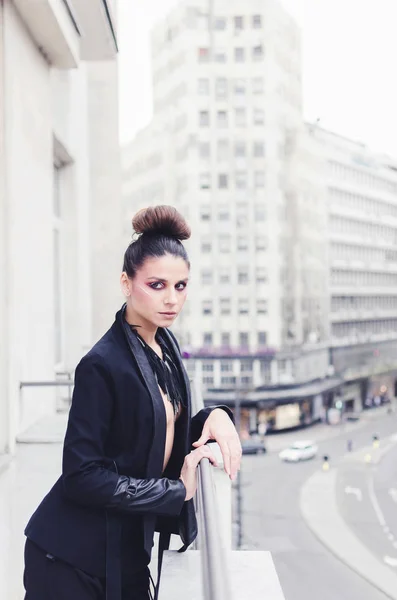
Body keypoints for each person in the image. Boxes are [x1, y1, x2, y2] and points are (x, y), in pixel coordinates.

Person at [23, 206, 241, 600]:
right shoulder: (100, 365)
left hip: (124, 555)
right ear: (126, 283)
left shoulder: (165, 344)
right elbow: (81, 475)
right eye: (157, 285)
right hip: (69, 560)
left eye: (181, 286)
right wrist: (176, 491)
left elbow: (157, 432)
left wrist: (216, 416)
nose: (172, 299)